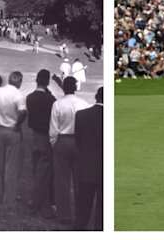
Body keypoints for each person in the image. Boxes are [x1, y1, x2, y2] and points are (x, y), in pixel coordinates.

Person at [49, 76, 89, 225]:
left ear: (64, 87)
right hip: (79, 141)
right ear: (75, 87)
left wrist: (55, 143)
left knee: (62, 180)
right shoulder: (84, 103)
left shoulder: (58, 104)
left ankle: (64, 214)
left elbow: (53, 129)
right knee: (80, 180)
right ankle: (80, 213)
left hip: (63, 140)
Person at [0, 71, 27, 206]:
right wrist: (17, 124)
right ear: (19, 81)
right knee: (11, 165)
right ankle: (8, 198)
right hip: (11, 130)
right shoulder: (19, 95)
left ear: (9, 80)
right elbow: (22, 112)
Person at [25, 69, 56, 218]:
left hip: (34, 134)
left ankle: (36, 199)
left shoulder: (29, 97)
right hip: (45, 135)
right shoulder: (51, 99)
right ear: (47, 82)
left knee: (36, 168)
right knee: (44, 172)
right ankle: (39, 203)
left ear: (36, 80)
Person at [74, 87, 103, 230]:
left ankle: (80, 228)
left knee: (84, 201)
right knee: (103, 208)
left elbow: (78, 140)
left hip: (87, 163)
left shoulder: (81, 115)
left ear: (96, 97)